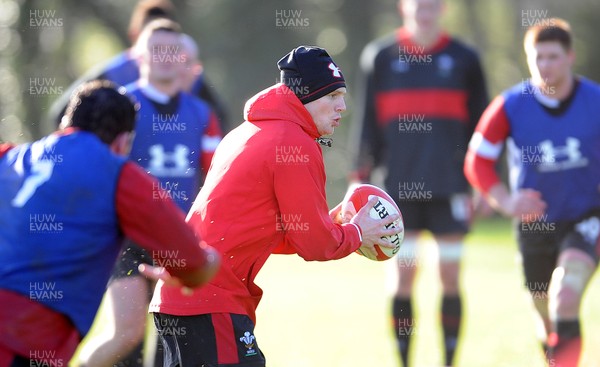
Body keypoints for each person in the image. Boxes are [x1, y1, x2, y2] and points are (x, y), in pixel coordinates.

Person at [144, 45, 403, 366]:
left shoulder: (246, 132)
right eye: (333, 96)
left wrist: (333, 224)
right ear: (306, 97)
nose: (343, 106)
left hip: (183, 298)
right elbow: (315, 246)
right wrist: (355, 233)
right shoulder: (295, 143)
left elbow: (258, 228)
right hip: (212, 299)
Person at [0, 80, 220, 366]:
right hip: (22, 339)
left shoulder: (9, 156)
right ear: (123, 141)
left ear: (66, 123)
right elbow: (195, 267)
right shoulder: (120, 175)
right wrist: (211, 259)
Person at [76, 19, 222, 367]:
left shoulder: (202, 113)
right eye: (156, 49)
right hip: (128, 235)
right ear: (138, 55)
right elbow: (95, 170)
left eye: (173, 50)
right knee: (126, 336)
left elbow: (216, 178)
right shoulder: (120, 107)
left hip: (178, 233)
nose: (165, 57)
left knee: (174, 341)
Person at [350, 0, 489, 365]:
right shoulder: (379, 56)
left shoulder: (465, 58)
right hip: (397, 188)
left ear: (441, 8)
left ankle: (448, 360)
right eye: (418, 4)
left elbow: (483, 129)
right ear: (403, 7)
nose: (424, 11)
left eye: (431, 4)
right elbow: (365, 122)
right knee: (402, 278)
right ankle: (404, 360)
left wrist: (486, 182)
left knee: (450, 276)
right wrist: (358, 178)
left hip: (451, 186)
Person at [464, 18, 600, 367]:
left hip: (586, 217)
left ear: (569, 57)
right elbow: (477, 161)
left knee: (565, 296)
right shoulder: (510, 105)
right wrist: (506, 201)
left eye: (553, 56)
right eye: (537, 57)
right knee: (545, 318)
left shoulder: (595, 101)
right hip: (534, 224)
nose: (544, 65)